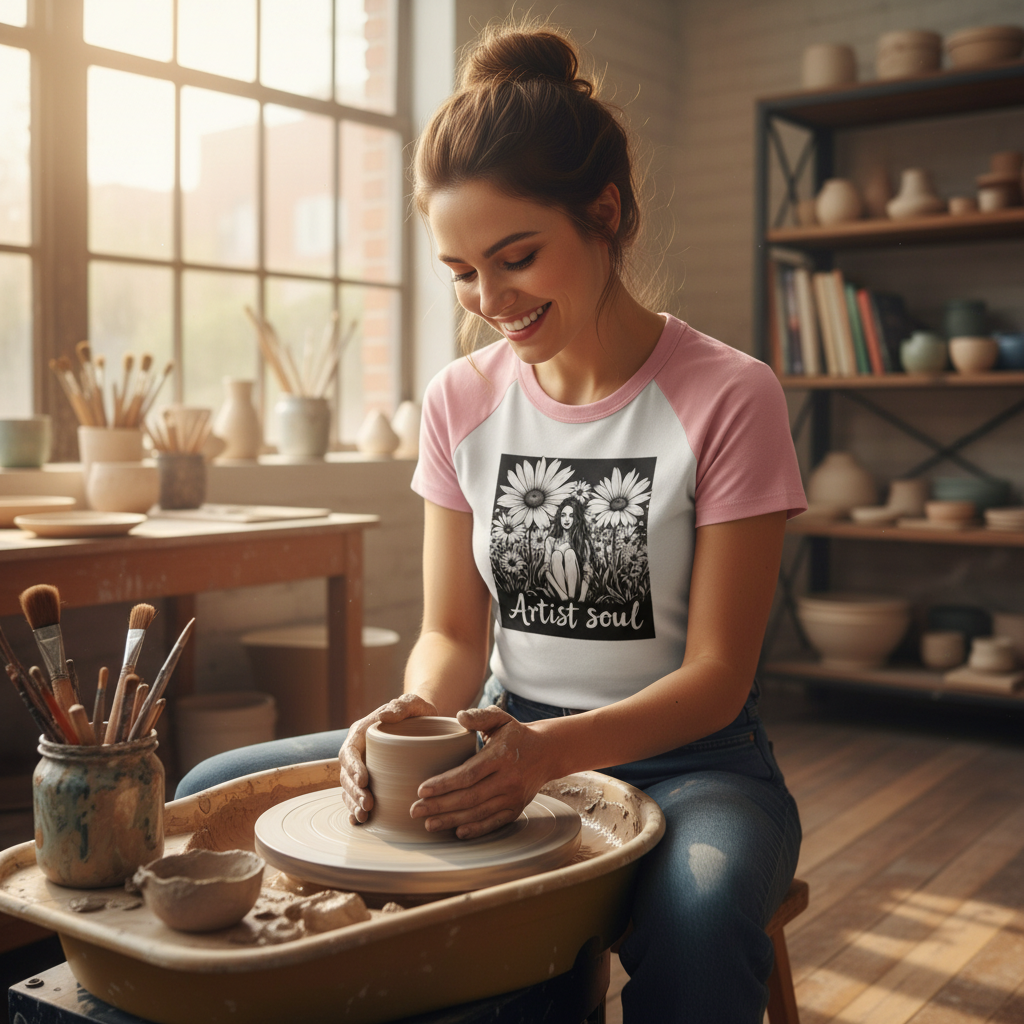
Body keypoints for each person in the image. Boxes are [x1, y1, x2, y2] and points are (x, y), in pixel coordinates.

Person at [177, 22, 807, 1021]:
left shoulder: (730, 394)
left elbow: (717, 679)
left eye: (516, 257)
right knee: (210, 786)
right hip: (497, 740)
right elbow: (451, 637)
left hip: (693, 764)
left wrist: (546, 757)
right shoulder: (459, 400)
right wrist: (413, 715)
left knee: (699, 912)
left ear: (603, 214)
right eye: (462, 270)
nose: (489, 302)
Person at [543, 496, 594, 601]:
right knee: (556, 555)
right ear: (559, 517)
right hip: (556, 591)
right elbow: (546, 570)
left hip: (575, 588)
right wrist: (562, 595)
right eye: (563, 515)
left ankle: (571, 599)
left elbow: (587, 573)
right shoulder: (550, 540)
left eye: (571, 516)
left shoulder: (582, 541)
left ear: (576, 519)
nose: (566, 519)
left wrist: (582, 598)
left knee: (569, 553)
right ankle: (565, 599)